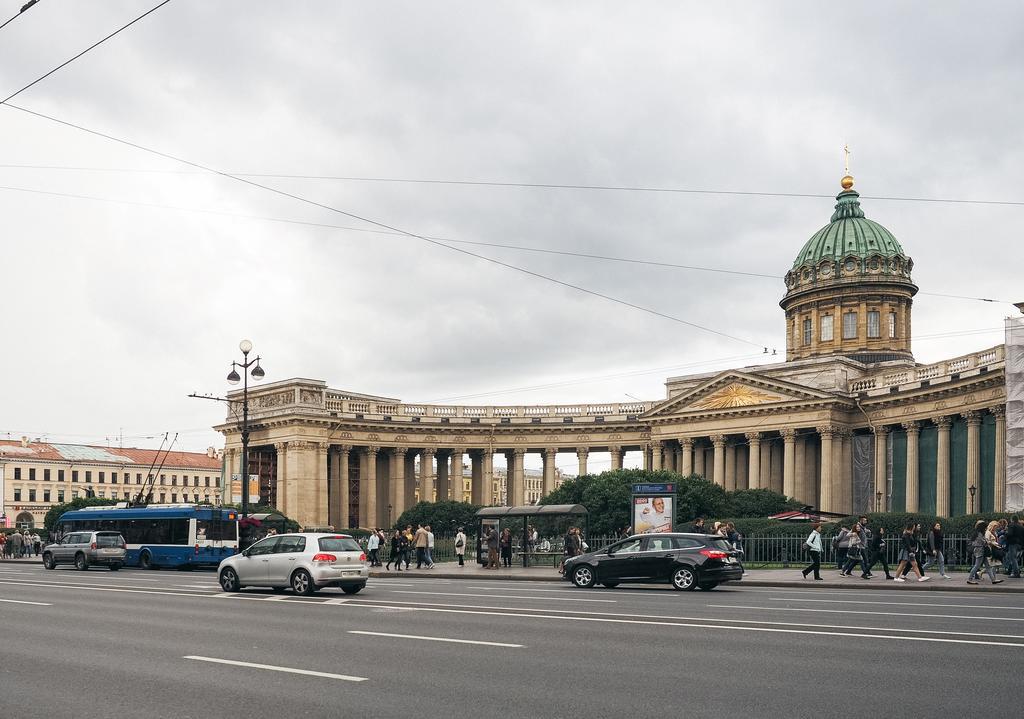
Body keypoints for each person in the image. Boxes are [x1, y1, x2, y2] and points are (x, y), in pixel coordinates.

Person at [968, 520, 1003, 585]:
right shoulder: (979, 534)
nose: (986, 528)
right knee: (977, 566)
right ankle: (969, 579)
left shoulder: (979, 533)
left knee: (988, 566)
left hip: (981, 551)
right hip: (980, 552)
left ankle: (993, 580)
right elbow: (982, 542)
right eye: (985, 527)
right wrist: (988, 542)